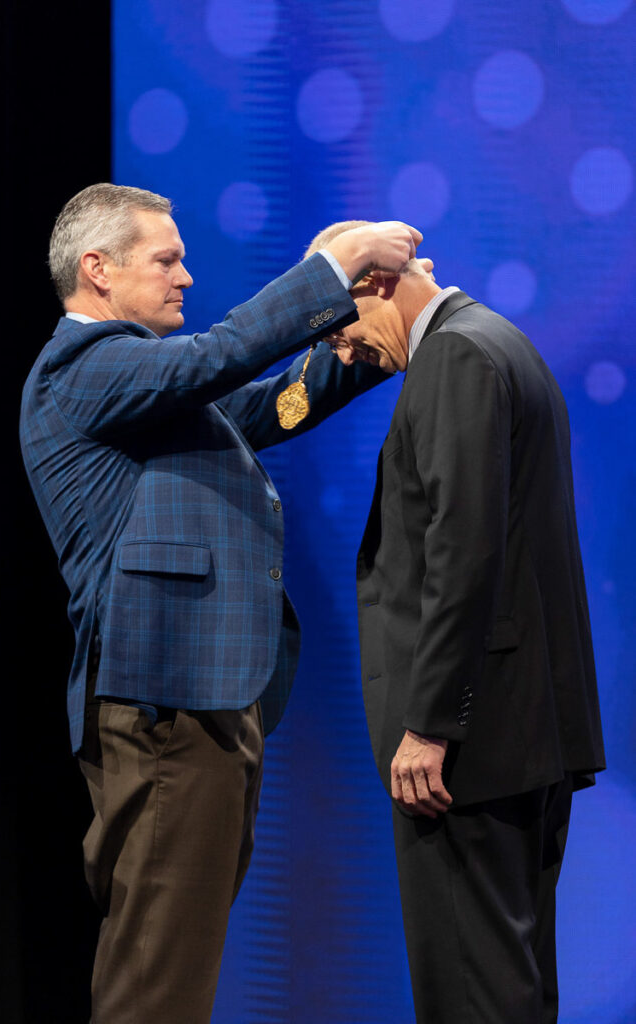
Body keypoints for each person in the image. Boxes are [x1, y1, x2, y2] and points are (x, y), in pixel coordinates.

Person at [19, 185, 420, 1024]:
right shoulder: (83, 367)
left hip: (202, 700)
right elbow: (221, 356)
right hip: (165, 700)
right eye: (166, 260)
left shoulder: (149, 392)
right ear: (96, 270)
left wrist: (362, 356)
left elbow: (260, 405)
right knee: (157, 981)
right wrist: (331, 271)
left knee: (175, 961)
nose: (186, 277)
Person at [307, 221, 606, 1024]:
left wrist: (430, 723)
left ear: (372, 284)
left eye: (336, 330)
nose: (341, 356)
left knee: (470, 992)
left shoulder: (455, 356)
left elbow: (462, 550)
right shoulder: (500, 340)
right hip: (524, 734)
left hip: (466, 753)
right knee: (512, 985)